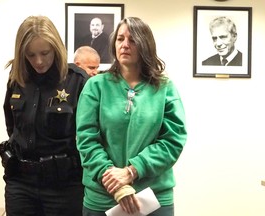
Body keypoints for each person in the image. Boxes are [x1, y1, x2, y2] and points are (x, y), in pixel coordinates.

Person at [76, 17, 187, 216]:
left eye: (133, 40)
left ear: (145, 45)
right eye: (120, 39)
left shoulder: (164, 88)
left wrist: (132, 171)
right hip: (103, 197)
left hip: (152, 198)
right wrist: (114, 180)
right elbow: (86, 139)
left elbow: (173, 140)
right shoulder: (96, 86)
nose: (125, 45)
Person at [0, 15, 88, 216]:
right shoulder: (17, 78)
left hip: (64, 186)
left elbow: (89, 136)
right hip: (21, 183)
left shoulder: (76, 81)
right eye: (30, 55)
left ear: (56, 48)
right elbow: (12, 126)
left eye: (45, 53)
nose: (38, 61)